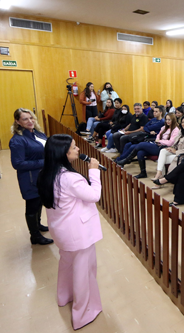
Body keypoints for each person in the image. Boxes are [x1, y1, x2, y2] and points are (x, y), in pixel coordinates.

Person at [37, 134, 103, 330]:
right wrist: (94, 172)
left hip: (62, 232)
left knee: (66, 266)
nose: (78, 150)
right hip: (79, 234)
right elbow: (94, 196)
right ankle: (83, 314)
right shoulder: (70, 178)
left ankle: (64, 296)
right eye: (74, 147)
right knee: (84, 272)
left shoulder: (47, 173)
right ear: (63, 153)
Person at [10, 108, 53, 245]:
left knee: (39, 201)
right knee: (32, 205)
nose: (30, 121)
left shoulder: (38, 133)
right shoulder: (17, 140)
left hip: (42, 175)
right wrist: (45, 162)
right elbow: (18, 163)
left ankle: (38, 225)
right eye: (25, 119)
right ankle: (34, 236)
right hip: (29, 178)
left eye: (31, 118)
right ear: (18, 122)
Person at [119, 113, 179, 179]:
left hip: (165, 148)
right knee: (140, 152)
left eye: (169, 120)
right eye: (166, 119)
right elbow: (158, 136)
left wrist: (159, 141)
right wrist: (158, 140)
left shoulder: (176, 130)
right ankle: (143, 173)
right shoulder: (164, 127)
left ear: (173, 120)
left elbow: (170, 143)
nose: (167, 121)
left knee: (141, 144)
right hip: (157, 145)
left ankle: (127, 160)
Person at [152, 116, 184, 182]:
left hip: (183, 155)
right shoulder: (181, 131)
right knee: (163, 151)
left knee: (161, 160)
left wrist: (176, 151)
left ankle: (161, 177)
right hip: (175, 151)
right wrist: (172, 148)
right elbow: (176, 143)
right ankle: (159, 174)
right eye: (182, 122)